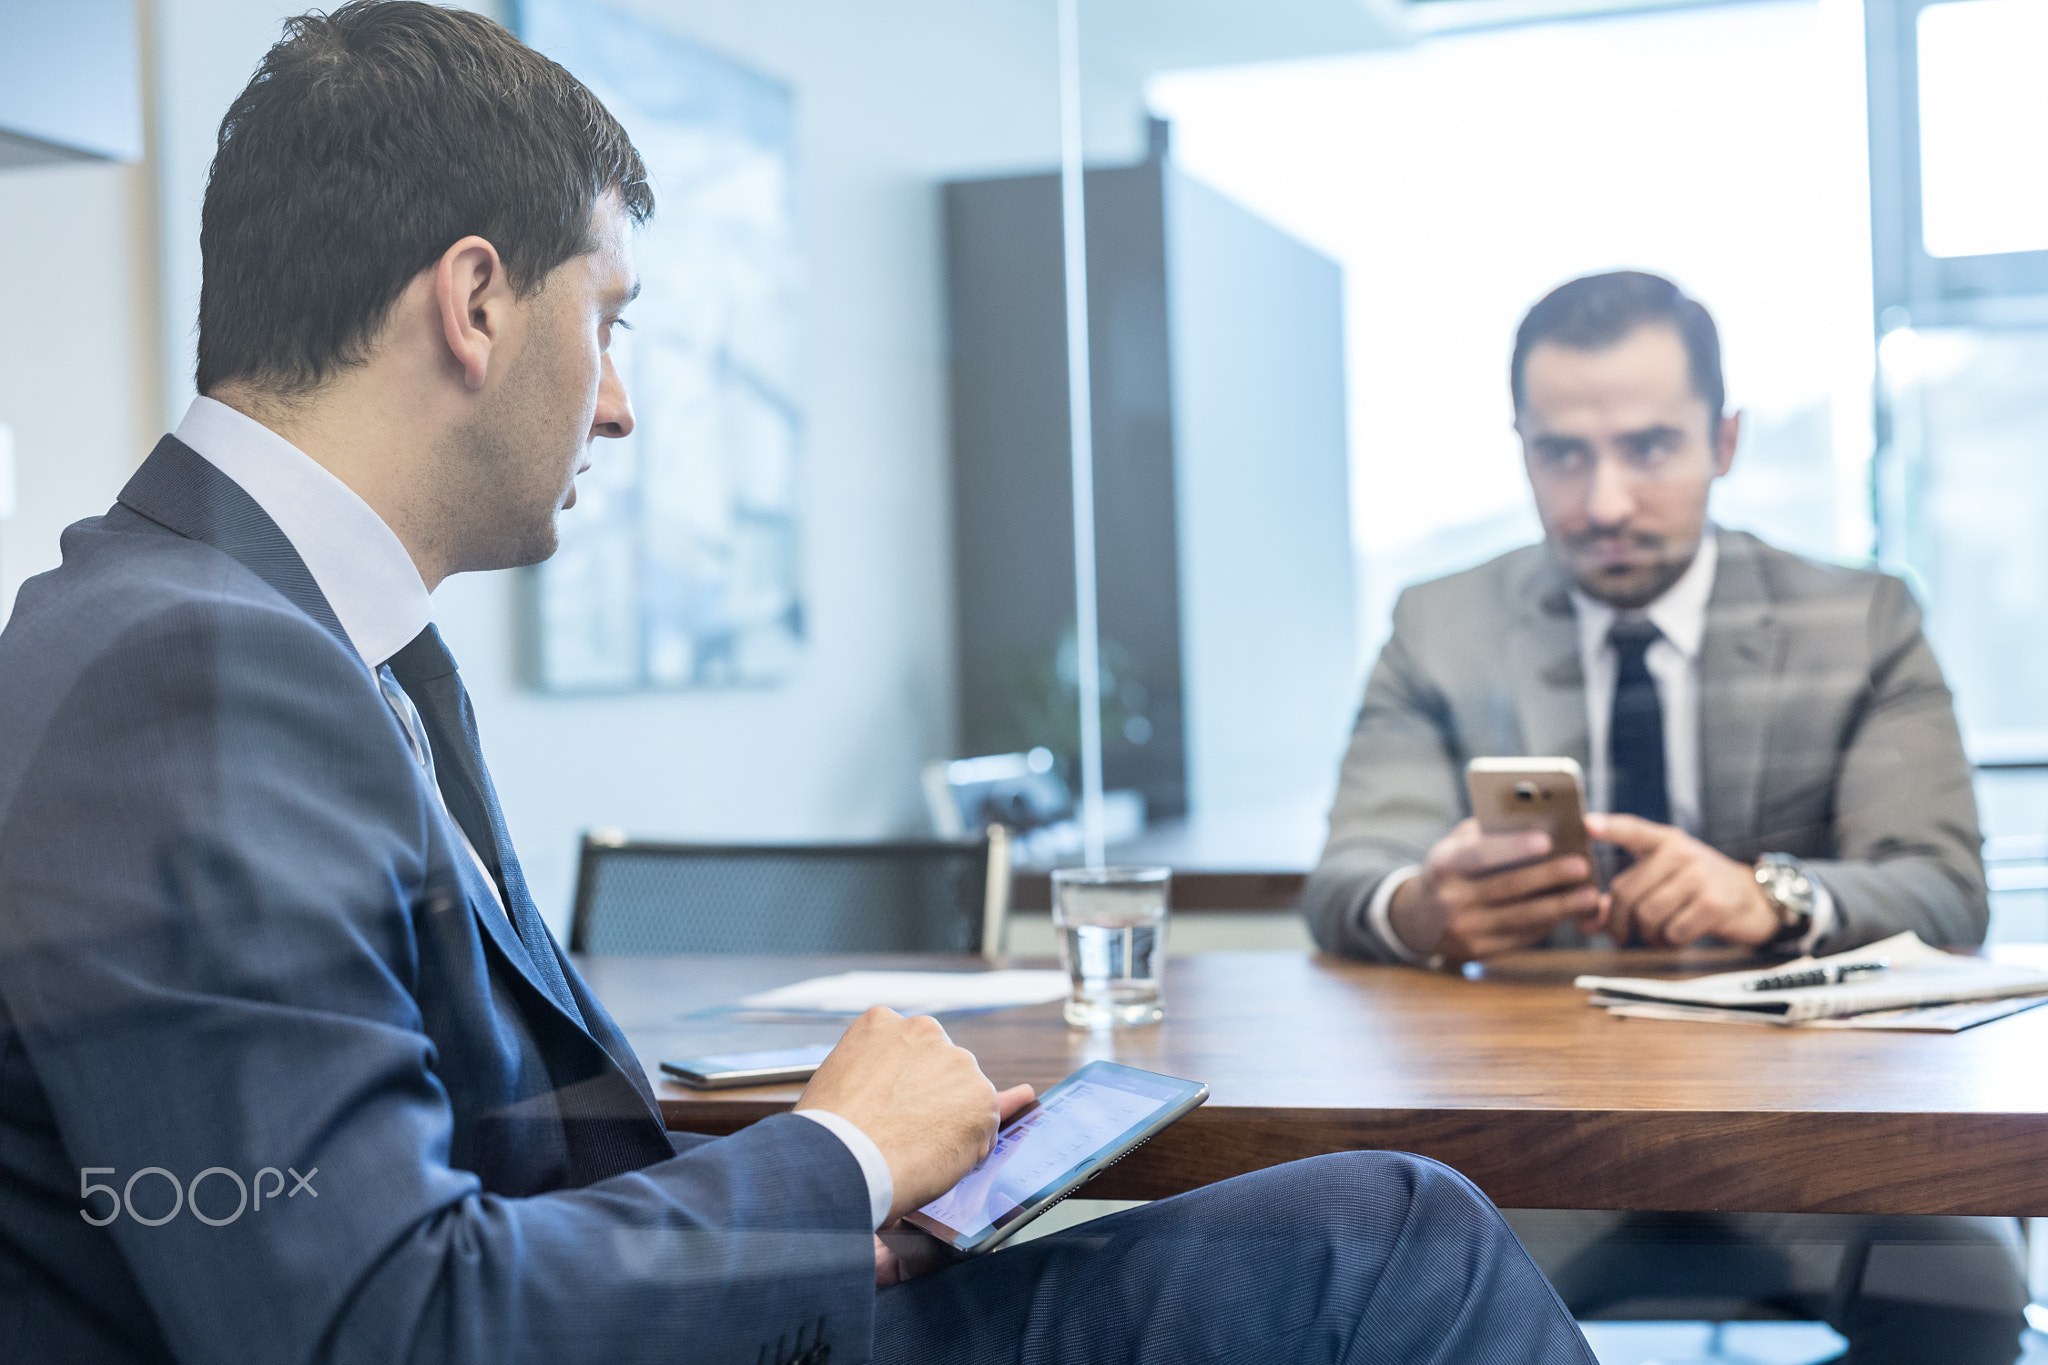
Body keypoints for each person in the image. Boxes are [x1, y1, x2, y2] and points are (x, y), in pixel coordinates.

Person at [0, 6, 1594, 1362]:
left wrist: (820, 1210)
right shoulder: (187, 682)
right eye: (608, 322)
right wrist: (834, 1160)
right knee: (1393, 1247)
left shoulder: (283, 637)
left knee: (1372, 1233)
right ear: (474, 303)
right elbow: (377, 1321)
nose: (617, 407)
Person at [1302, 269, 2026, 1362]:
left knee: (1961, 1299)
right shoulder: (1439, 625)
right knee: (1373, 1295)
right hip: (1531, 1124)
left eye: (1648, 447)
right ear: (1521, 448)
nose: (1601, 502)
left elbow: (1943, 889)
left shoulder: (1859, 618)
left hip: (1802, 1124)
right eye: (1562, 454)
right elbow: (1347, 877)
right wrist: (1421, 907)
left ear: (1722, 441)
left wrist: (1767, 896)